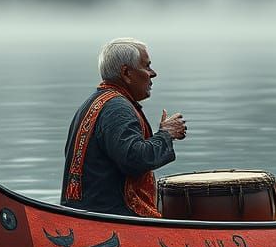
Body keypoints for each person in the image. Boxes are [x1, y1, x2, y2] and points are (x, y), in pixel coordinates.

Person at [61, 38, 187, 217]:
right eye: (147, 66)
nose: (153, 73)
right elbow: (135, 160)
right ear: (126, 72)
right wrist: (166, 135)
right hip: (111, 218)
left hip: (87, 216)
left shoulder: (95, 102)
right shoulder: (117, 108)